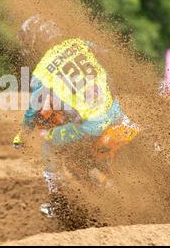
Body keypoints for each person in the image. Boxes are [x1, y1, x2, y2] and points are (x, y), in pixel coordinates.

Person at [12, 15, 139, 217]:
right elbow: (107, 54)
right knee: (134, 126)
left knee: (49, 142)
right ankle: (157, 150)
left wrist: (22, 135)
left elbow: (32, 111)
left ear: (34, 43)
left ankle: (58, 201)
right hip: (114, 111)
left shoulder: (41, 73)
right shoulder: (79, 44)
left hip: (91, 126)